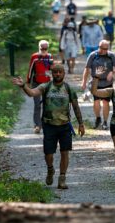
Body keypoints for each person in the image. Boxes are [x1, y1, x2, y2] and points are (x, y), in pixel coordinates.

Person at [11, 62, 85, 190]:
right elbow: (32, 93)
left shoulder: (68, 89)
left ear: (63, 73)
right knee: (48, 154)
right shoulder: (46, 86)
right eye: (55, 72)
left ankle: (62, 178)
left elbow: (76, 107)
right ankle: (50, 169)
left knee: (64, 152)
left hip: (65, 126)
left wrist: (81, 123)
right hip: (49, 125)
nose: (57, 74)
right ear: (52, 74)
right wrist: (23, 86)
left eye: (59, 72)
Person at [82, 40, 115, 129]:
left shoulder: (111, 55)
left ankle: (105, 121)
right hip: (95, 82)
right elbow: (87, 69)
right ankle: (98, 118)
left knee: (105, 102)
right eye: (103, 48)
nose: (104, 50)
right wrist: (83, 82)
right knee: (96, 101)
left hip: (107, 83)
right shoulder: (93, 55)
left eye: (106, 49)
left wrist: (112, 72)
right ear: (99, 47)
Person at [27, 40, 53, 134]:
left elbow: (52, 69)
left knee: (47, 105)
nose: (44, 50)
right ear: (39, 48)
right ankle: (37, 125)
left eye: (46, 49)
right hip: (36, 83)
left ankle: (45, 124)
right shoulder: (34, 57)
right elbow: (30, 70)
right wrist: (28, 82)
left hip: (46, 84)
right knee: (37, 105)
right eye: (42, 48)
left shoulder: (49, 57)